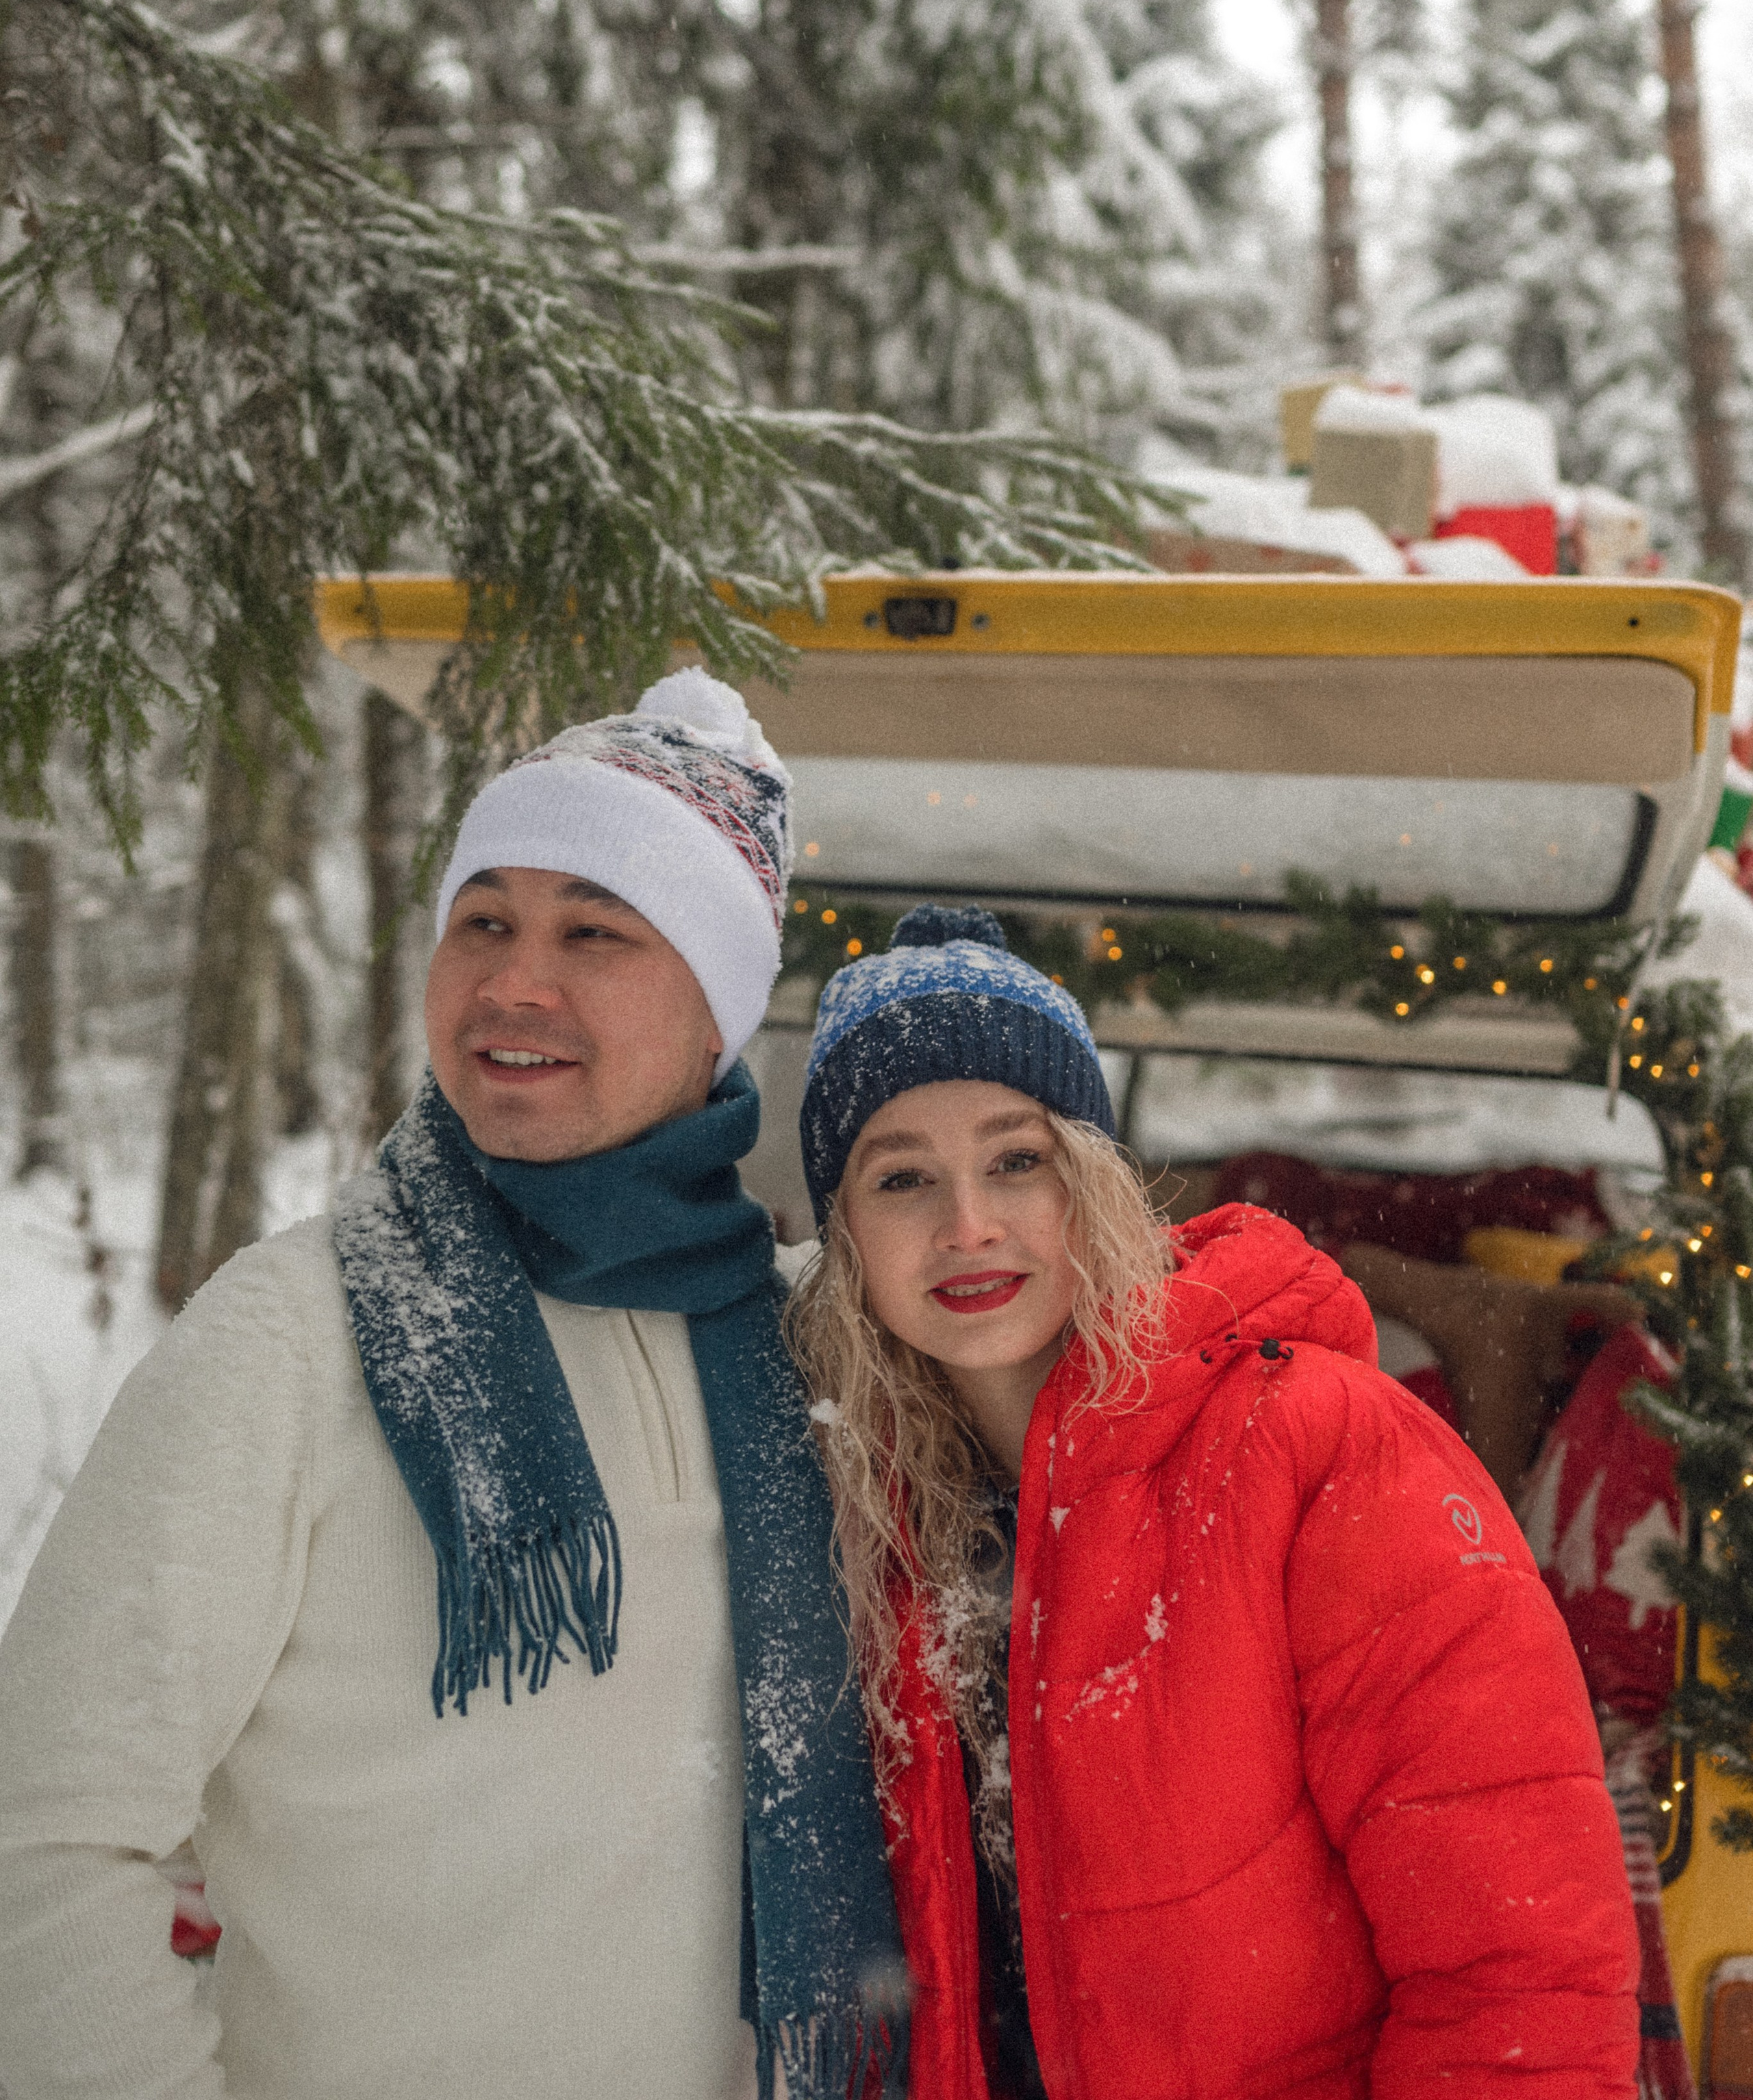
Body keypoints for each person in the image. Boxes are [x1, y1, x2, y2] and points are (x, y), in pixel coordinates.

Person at [0, 670, 902, 2100]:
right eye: (482, 920)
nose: (512, 981)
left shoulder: (813, 1349)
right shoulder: (296, 1335)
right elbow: (43, 1836)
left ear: (716, 1011)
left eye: (592, 931)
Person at [785, 903, 1642, 2100]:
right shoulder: (854, 1517)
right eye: (902, 1178)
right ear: (847, 1239)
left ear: (1093, 1180)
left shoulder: (1320, 1451)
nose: (967, 1224)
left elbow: (1519, 1967)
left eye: (1016, 1159)